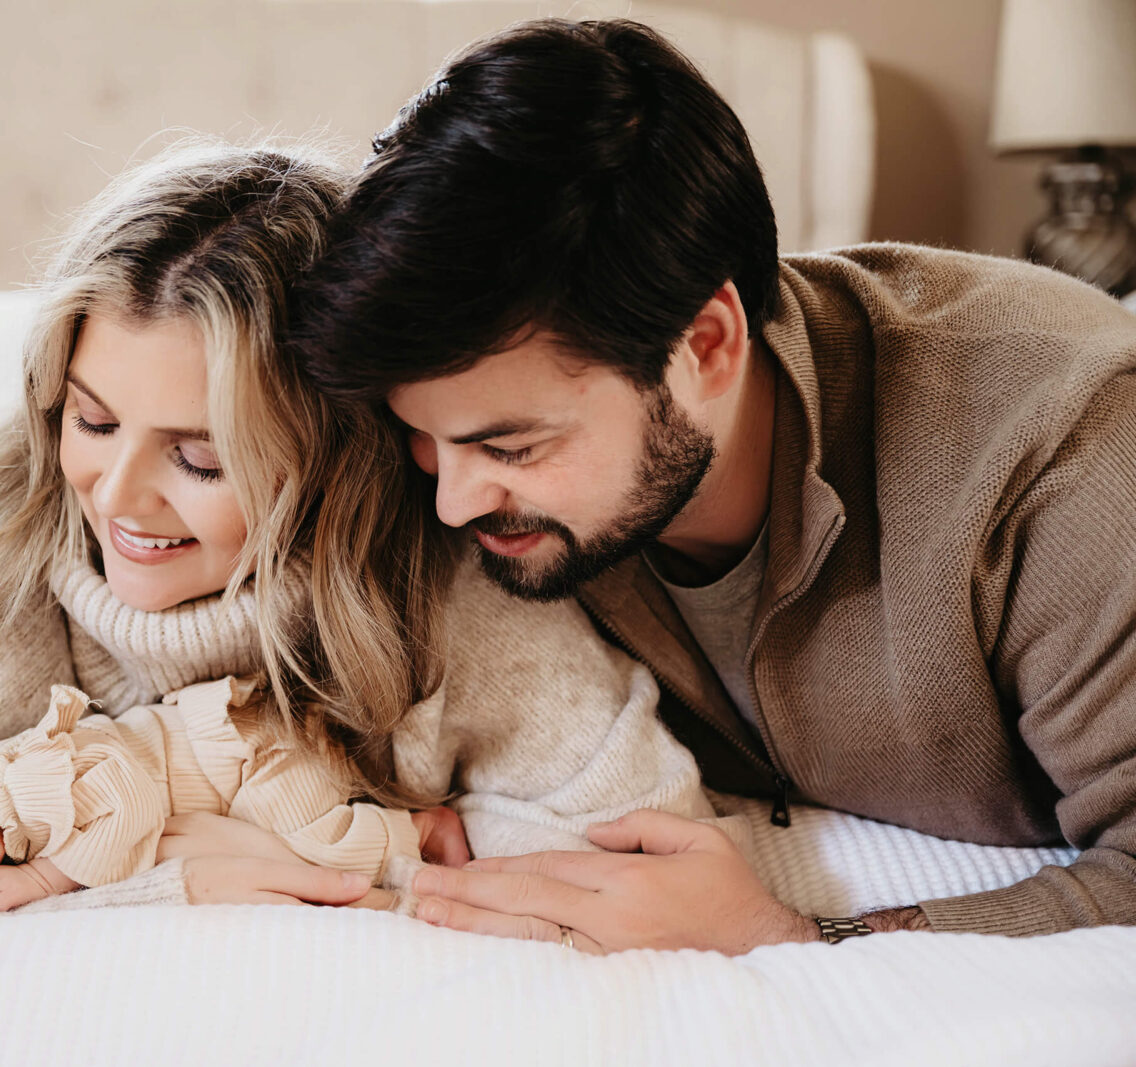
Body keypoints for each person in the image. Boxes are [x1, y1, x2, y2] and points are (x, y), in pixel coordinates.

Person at [0, 138, 728, 918]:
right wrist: (170, 878)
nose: (119, 494)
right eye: (91, 418)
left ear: (327, 456)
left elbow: (650, 848)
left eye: (200, 456)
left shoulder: (445, 590)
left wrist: (361, 879)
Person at [287, 18, 1136, 952]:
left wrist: (799, 937)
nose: (453, 503)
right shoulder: (459, 466)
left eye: (514, 447)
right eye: (422, 437)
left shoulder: (1068, 451)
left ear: (708, 345)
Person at [0, 679, 463, 913]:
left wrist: (44, 878)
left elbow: (133, 796)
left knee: (314, 837)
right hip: (225, 771)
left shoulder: (14, 785)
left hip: (242, 753)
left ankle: (424, 831)